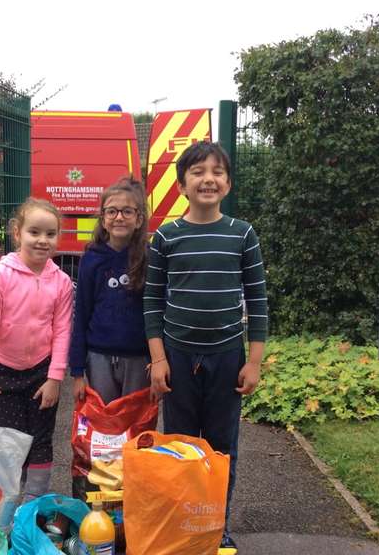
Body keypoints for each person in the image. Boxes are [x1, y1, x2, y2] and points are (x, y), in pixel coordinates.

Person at [143, 141, 268, 552]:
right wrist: (158, 360)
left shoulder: (242, 234)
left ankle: (216, 526)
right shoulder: (165, 237)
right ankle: (182, 526)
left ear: (228, 184)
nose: (207, 178)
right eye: (197, 172)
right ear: (181, 185)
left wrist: (254, 363)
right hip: (177, 359)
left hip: (227, 359)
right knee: (179, 448)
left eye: (216, 171)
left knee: (220, 449)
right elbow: (152, 301)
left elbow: (258, 300)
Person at [0, 197, 73, 502]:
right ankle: (6, 506)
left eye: (50, 234)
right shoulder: (0, 276)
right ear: (17, 233)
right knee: (9, 442)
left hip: (42, 374)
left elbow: (63, 331)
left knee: (41, 440)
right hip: (4, 375)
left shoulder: (62, 282)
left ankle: (33, 507)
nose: (43, 240)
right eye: (34, 232)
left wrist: (55, 378)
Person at [70, 178, 151, 404]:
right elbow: (81, 314)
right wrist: (77, 372)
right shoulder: (91, 259)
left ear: (138, 219)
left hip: (139, 359)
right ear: (103, 219)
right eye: (112, 211)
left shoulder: (150, 257)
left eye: (127, 211)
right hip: (99, 358)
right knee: (105, 428)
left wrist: (159, 361)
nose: (119, 217)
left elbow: (157, 314)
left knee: (137, 428)